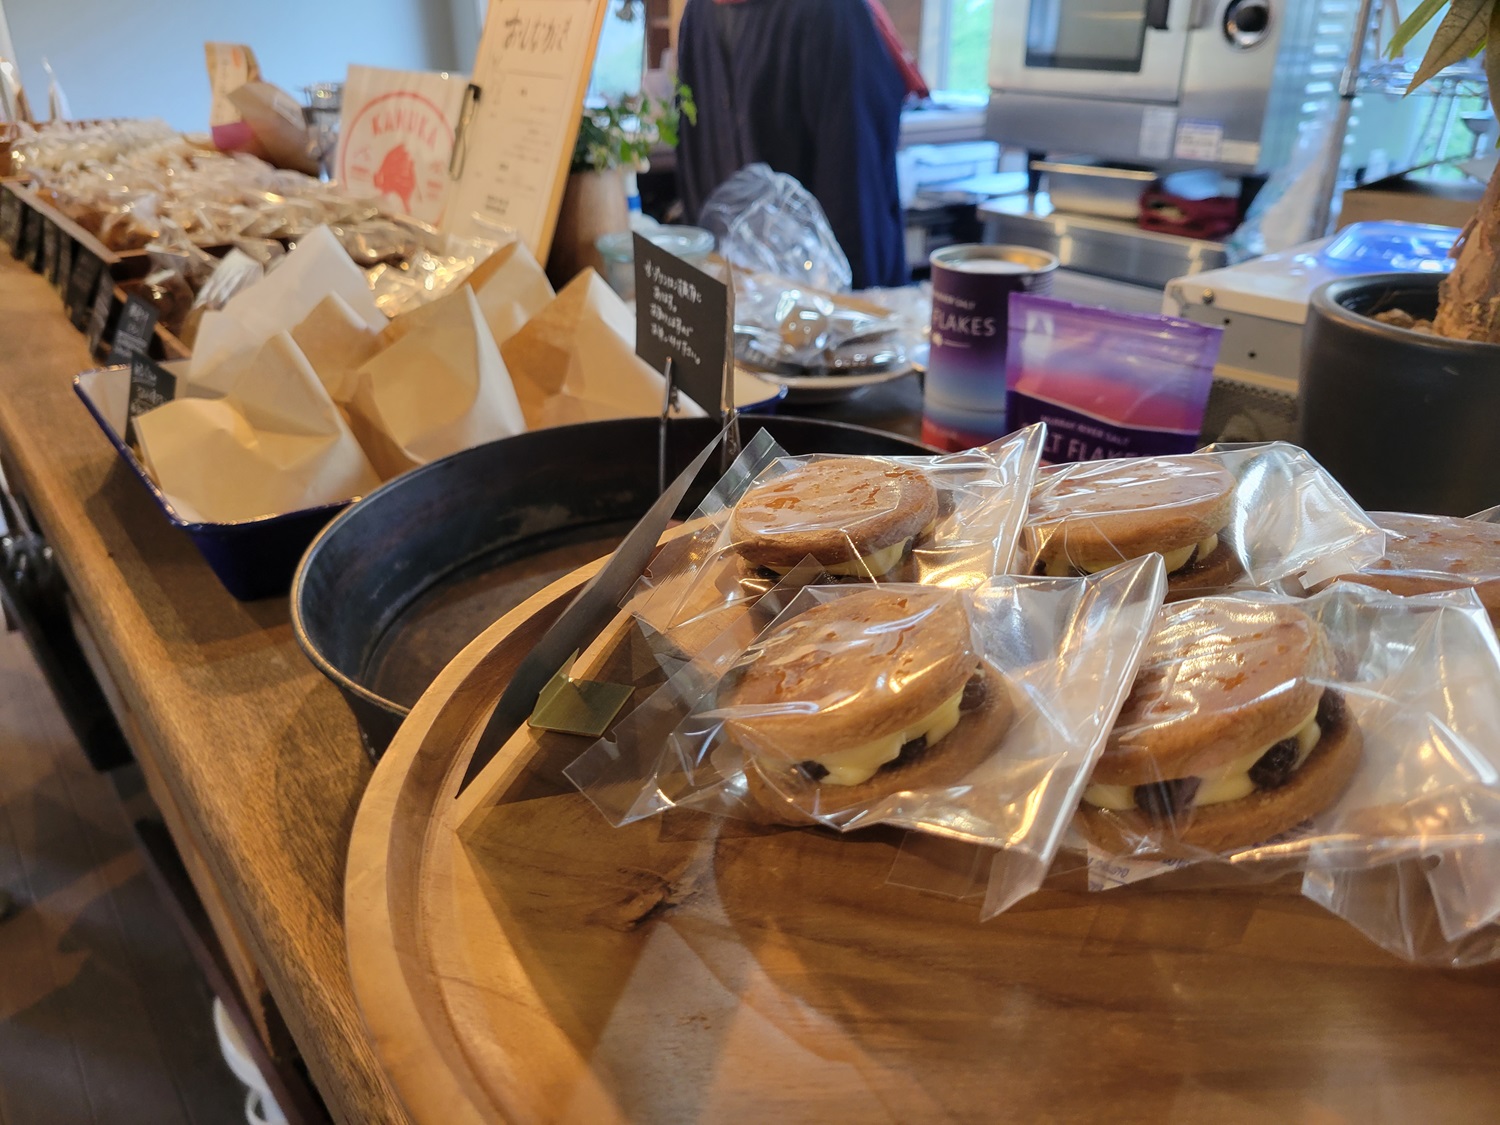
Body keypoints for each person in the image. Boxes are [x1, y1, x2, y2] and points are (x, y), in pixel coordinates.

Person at [676, 0, 920, 291]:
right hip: (750, 282)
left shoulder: (831, 11)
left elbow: (854, 179)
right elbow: (694, 152)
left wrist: (847, 296)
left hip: (814, 287)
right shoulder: (700, 11)